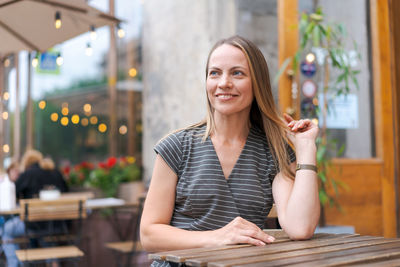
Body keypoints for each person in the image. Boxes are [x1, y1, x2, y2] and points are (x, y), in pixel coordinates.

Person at [140, 35, 320, 266]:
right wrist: (216, 238)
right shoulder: (177, 147)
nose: (223, 82)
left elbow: (300, 227)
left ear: (257, 83)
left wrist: (306, 148)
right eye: (215, 73)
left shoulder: (273, 151)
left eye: (237, 73)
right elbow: (149, 234)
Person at [2, 150, 68, 267]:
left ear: (26, 163)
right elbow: (66, 192)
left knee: (7, 231)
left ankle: (14, 265)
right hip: (58, 224)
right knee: (45, 233)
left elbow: (14, 194)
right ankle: (53, 263)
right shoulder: (56, 172)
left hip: (34, 224)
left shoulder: (28, 174)